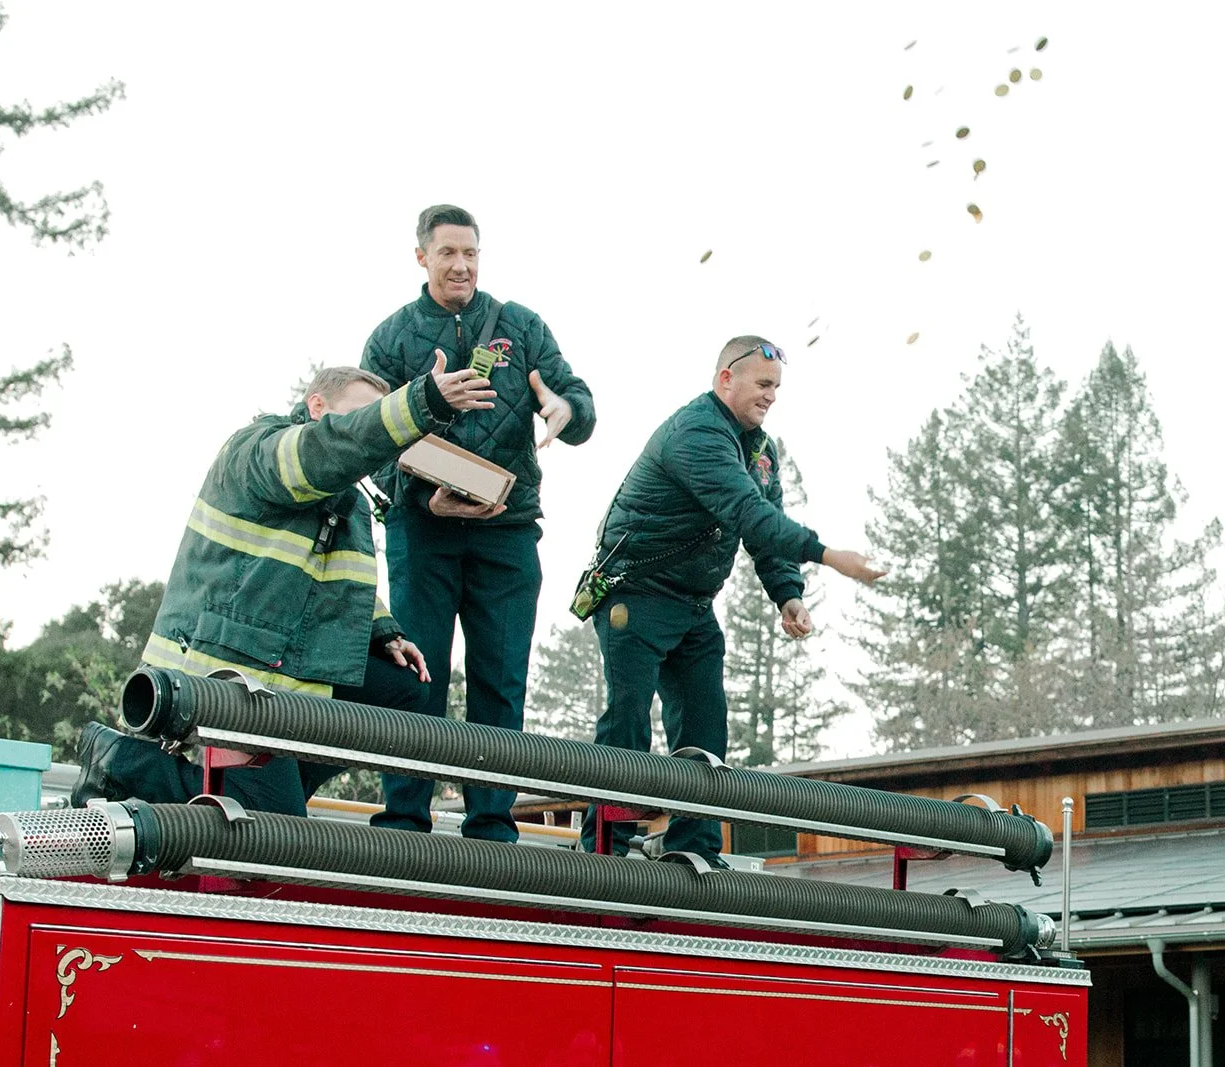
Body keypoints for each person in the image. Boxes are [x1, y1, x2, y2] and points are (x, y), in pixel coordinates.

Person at [71, 359, 497, 817]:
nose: (369, 429)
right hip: (223, 660)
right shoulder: (260, 449)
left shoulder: (347, 496)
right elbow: (328, 451)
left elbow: (334, 582)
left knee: (405, 691)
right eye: (360, 415)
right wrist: (422, 402)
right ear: (317, 407)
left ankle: (278, 782)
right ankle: (124, 762)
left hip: (283, 659)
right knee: (271, 824)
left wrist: (383, 631)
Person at [578, 335, 886, 866]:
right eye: (763, 384)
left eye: (778, 388)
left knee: (705, 727)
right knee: (628, 720)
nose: (772, 396)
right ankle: (605, 847)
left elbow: (765, 529)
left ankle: (693, 846)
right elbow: (748, 513)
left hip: (695, 604)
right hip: (638, 593)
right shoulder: (696, 433)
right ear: (726, 379)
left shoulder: (762, 450)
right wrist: (830, 555)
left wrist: (787, 594)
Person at [361, 204, 596, 843]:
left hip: (508, 530)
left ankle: (490, 825)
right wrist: (415, 491)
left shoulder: (522, 326)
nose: (461, 265)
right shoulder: (390, 337)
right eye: (447, 254)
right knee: (417, 680)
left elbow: (580, 402)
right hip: (422, 533)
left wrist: (561, 409)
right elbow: (366, 440)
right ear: (421, 258)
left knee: (501, 682)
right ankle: (403, 821)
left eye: (470, 253)